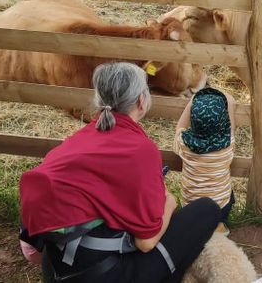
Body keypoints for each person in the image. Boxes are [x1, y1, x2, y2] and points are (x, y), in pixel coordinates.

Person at [19, 62, 220, 283]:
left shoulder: (76, 141)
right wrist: (169, 201)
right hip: (107, 275)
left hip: (58, 270)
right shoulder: (141, 149)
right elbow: (146, 242)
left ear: (99, 99)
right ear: (142, 101)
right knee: (206, 209)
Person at [173, 87, 236, 234]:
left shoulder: (183, 143)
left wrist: (192, 103)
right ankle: (219, 225)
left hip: (190, 207)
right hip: (219, 207)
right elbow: (231, 128)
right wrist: (230, 104)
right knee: (228, 196)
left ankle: (196, 229)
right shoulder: (227, 144)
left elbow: (180, 127)